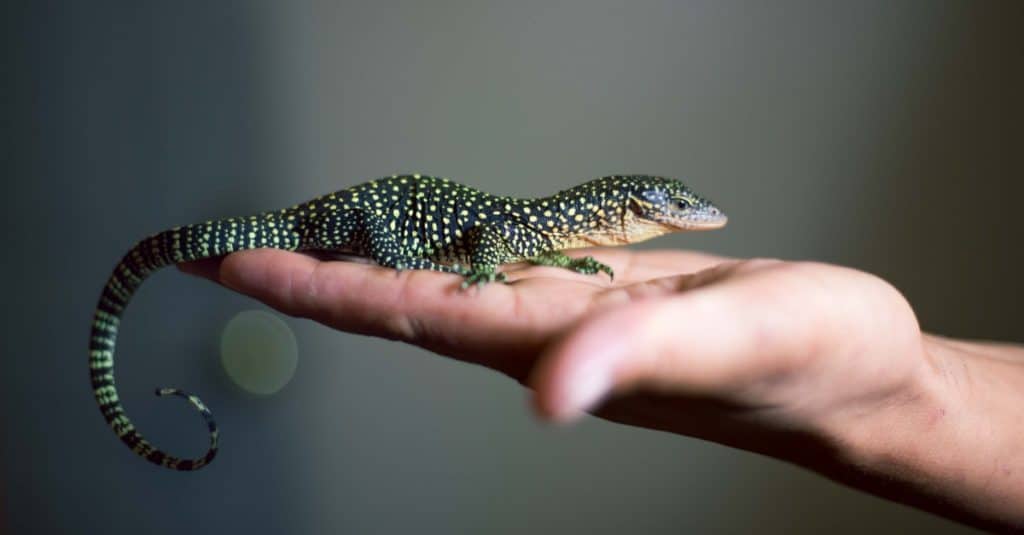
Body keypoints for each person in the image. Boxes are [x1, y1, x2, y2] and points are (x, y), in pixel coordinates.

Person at [183, 248, 1024, 532]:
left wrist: (910, 388)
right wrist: (920, 379)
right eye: (672, 206)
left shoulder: (566, 241)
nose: (689, 215)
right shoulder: (540, 233)